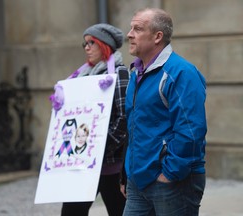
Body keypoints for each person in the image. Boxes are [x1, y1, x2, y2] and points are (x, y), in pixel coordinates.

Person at [120, 8, 207, 216]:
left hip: (172, 182)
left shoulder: (181, 72)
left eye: (138, 29)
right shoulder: (136, 72)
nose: (129, 34)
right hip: (137, 181)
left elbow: (191, 131)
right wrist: (127, 173)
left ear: (158, 36)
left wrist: (169, 173)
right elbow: (134, 127)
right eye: (131, 28)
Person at [59, 23, 129, 216]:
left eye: (92, 42)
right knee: (71, 212)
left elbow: (124, 117)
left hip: (110, 165)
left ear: (105, 45)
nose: (86, 47)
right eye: (85, 43)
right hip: (83, 164)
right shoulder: (82, 75)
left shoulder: (119, 73)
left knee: (119, 211)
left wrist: (101, 147)